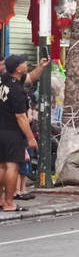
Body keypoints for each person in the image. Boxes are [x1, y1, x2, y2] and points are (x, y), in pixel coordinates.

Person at [0, 56, 37, 213]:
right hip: (12, 133)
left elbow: (29, 78)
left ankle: (2, 200)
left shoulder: (5, 80)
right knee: (12, 166)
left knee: (2, 165)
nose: (26, 63)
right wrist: (30, 138)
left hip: (2, 129)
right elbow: (21, 117)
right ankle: (9, 202)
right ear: (18, 68)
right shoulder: (17, 91)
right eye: (23, 62)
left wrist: (41, 66)